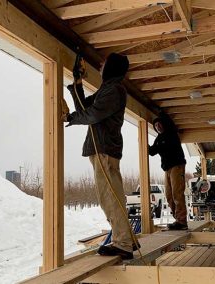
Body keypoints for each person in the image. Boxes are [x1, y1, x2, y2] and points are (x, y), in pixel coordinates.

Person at [64, 53, 133, 259]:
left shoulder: (114, 90)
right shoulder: (109, 89)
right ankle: (126, 239)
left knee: (109, 198)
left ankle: (123, 243)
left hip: (104, 149)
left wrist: (70, 118)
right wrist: (77, 83)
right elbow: (86, 108)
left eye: (104, 63)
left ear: (112, 67)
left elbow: (92, 114)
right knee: (111, 197)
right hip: (102, 149)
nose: (100, 65)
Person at [149, 111, 188, 230]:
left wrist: (160, 113)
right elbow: (152, 152)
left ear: (164, 124)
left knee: (177, 193)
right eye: (155, 126)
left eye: (159, 124)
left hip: (177, 165)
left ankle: (182, 221)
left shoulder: (171, 133)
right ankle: (178, 220)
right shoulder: (159, 138)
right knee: (169, 195)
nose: (158, 127)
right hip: (167, 169)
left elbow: (169, 122)